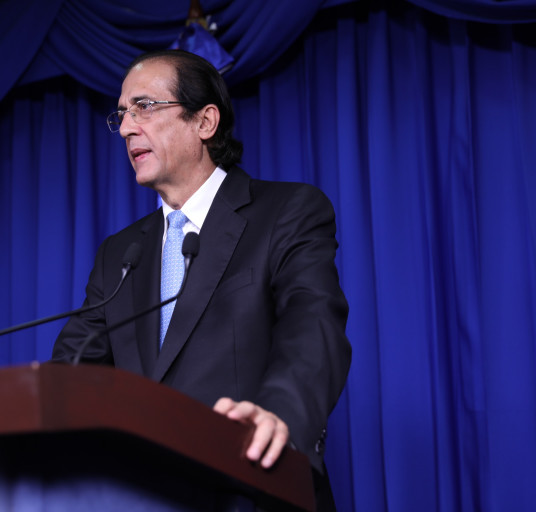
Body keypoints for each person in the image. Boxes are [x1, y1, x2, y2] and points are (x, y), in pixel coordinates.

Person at [52, 49, 351, 511]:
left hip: (254, 487)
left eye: (144, 107)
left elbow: (312, 327)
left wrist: (280, 415)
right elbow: (73, 369)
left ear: (205, 122)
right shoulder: (119, 254)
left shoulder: (286, 212)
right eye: (122, 114)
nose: (127, 127)